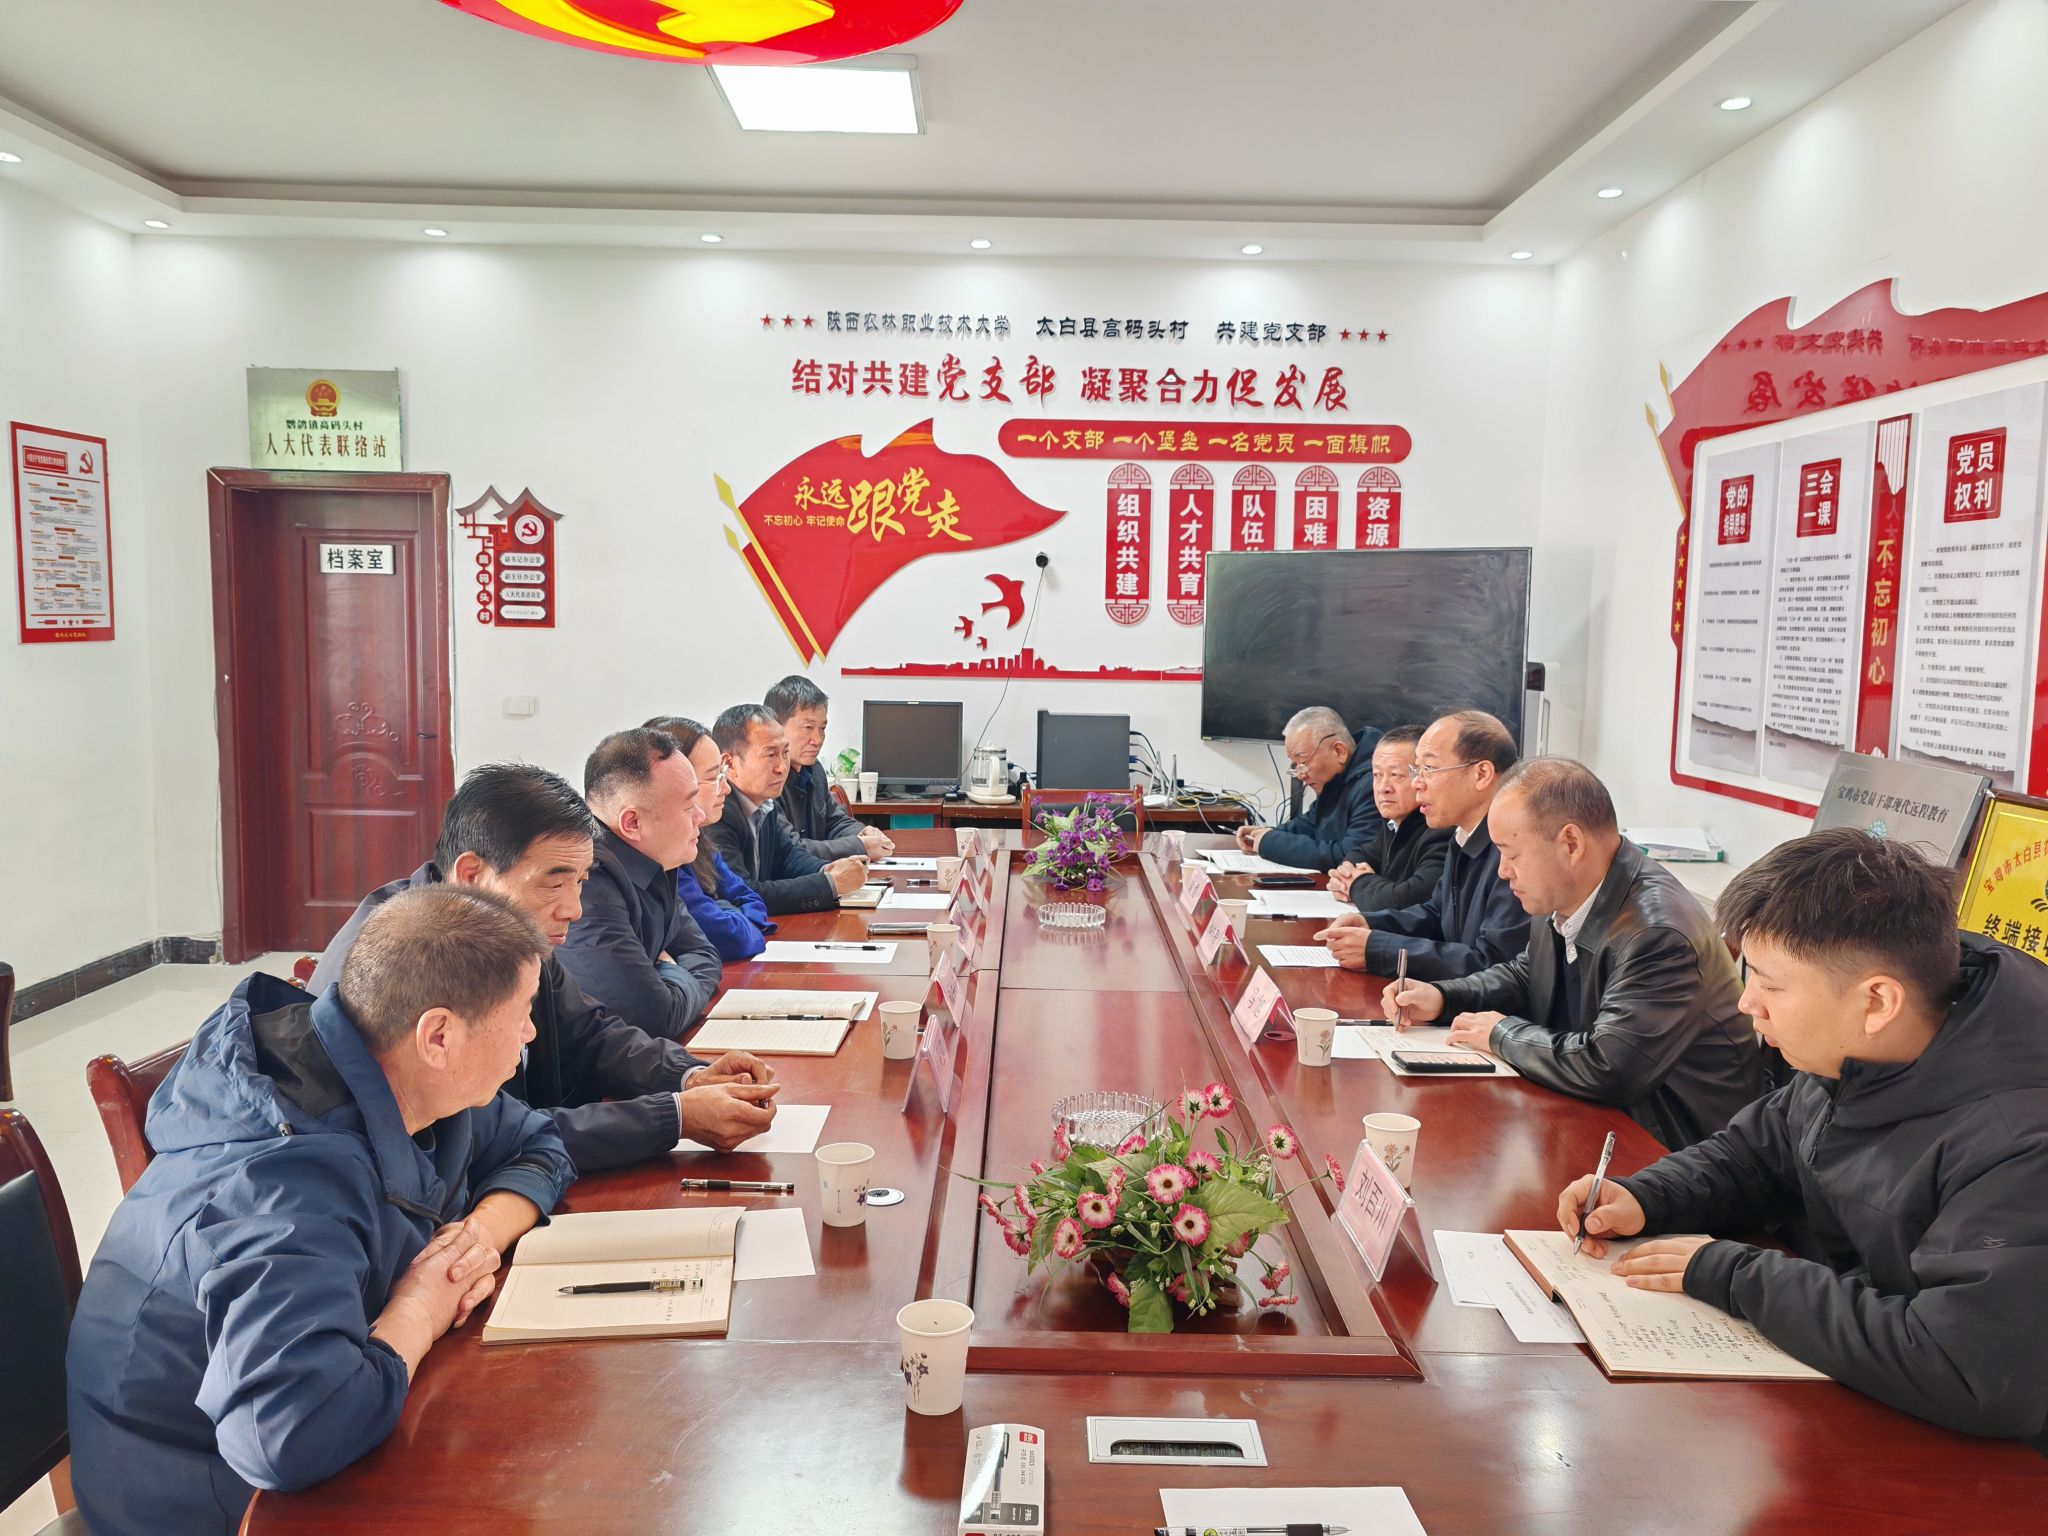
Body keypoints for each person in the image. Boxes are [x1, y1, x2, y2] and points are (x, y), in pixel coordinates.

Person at [66, 886, 576, 1536]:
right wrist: (421, 1308)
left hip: (338, 1412)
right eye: (523, 1012)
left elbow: (536, 1141)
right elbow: (286, 1437)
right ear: (439, 1035)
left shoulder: (400, 1070)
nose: (531, 1033)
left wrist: (474, 1238)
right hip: (201, 1497)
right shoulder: (280, 1184)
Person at [1559, 829, 2048, 1446]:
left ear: (1877, 1001)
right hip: (1860, 1395)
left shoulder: (2020, 1139)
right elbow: (1758, 1152)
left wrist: (1736, 1275)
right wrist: (1648, 1195)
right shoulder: (1857, 1049)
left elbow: (1970, 1370)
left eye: (1770, 983)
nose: (1746, 1003)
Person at [312, 762, 779, 1167]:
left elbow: (590, 1033)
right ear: (472, 874)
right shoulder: (409, 956)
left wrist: (690, 1074)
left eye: (581, 882)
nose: (573, 909)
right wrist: (675, 1117)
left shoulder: (504, 932)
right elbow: (484, 1134)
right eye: (554, 884)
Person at [1382, 758, 1762, 1148]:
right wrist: (1444, 997)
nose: (1503, 871)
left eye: (1512, 854)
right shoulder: (1565, 893)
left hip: (1670, 1147)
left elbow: (1608, 1067)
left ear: (1571, 844)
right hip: (1592, 1120)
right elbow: (1528, 974)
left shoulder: (1657, 935)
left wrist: (1500, 1034)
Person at [1315, 709, 1530, 981]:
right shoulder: (1464, 835)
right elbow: (1437, 914)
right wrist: (1371, 924)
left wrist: (1380, 948)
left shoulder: (1513, 850)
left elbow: (1492, 964)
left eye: (1429, 769)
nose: (1417, 783)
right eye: (1416, 770)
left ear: (1482, 774)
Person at [560, 727, 725, 1041]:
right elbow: (654, 1017)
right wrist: (672, 970)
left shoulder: (655, 863)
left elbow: (704, 954)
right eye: (688, 806)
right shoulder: (588, 882)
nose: (701, 815)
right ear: (632, 823)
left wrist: (665, 974)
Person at [705, 703, 869, 915]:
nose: (782, 767)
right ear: (730, 764)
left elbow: (789, 856)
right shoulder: (717, 813)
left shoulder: (764, 802)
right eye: (770, 755)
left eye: (785, 753)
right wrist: (830, 884)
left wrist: (827, 869)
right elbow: (742, 894)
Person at [646, 715, 775, 961]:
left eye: (722, 774)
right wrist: (729, 911)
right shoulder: (665, 853)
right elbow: (728, 938)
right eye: (714, 777)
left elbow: (750, 896)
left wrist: (728, 912)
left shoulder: (700, 838)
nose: (726, 788)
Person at [764, 674, 895, 861]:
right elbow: (790, 848)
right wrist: (860, 846)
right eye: (808, 728)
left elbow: (833, 821)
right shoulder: (766, 778)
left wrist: (862, 832)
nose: (817, 739)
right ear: (776, 726)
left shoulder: (814, 769)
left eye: (822, 728)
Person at [1326, 724, 1452, 915]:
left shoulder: (1440, 829)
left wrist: (1357, 883)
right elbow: (1361, 853)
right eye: (1377, 775)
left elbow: (1409, 900)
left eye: (1396, 775)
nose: (1383, 787)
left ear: (1423, 775)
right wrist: (1347, 875)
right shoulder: (1394, 823)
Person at [1236, 706, 1380, 870]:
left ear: (1339, 751)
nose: (1300, 775)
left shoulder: (1375, 785)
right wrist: (1265, 833)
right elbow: (1310, 825)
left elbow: (1350, 857)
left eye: (1303, 762)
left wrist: (1270, 843)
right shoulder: (1337, 779)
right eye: (1295, 765)